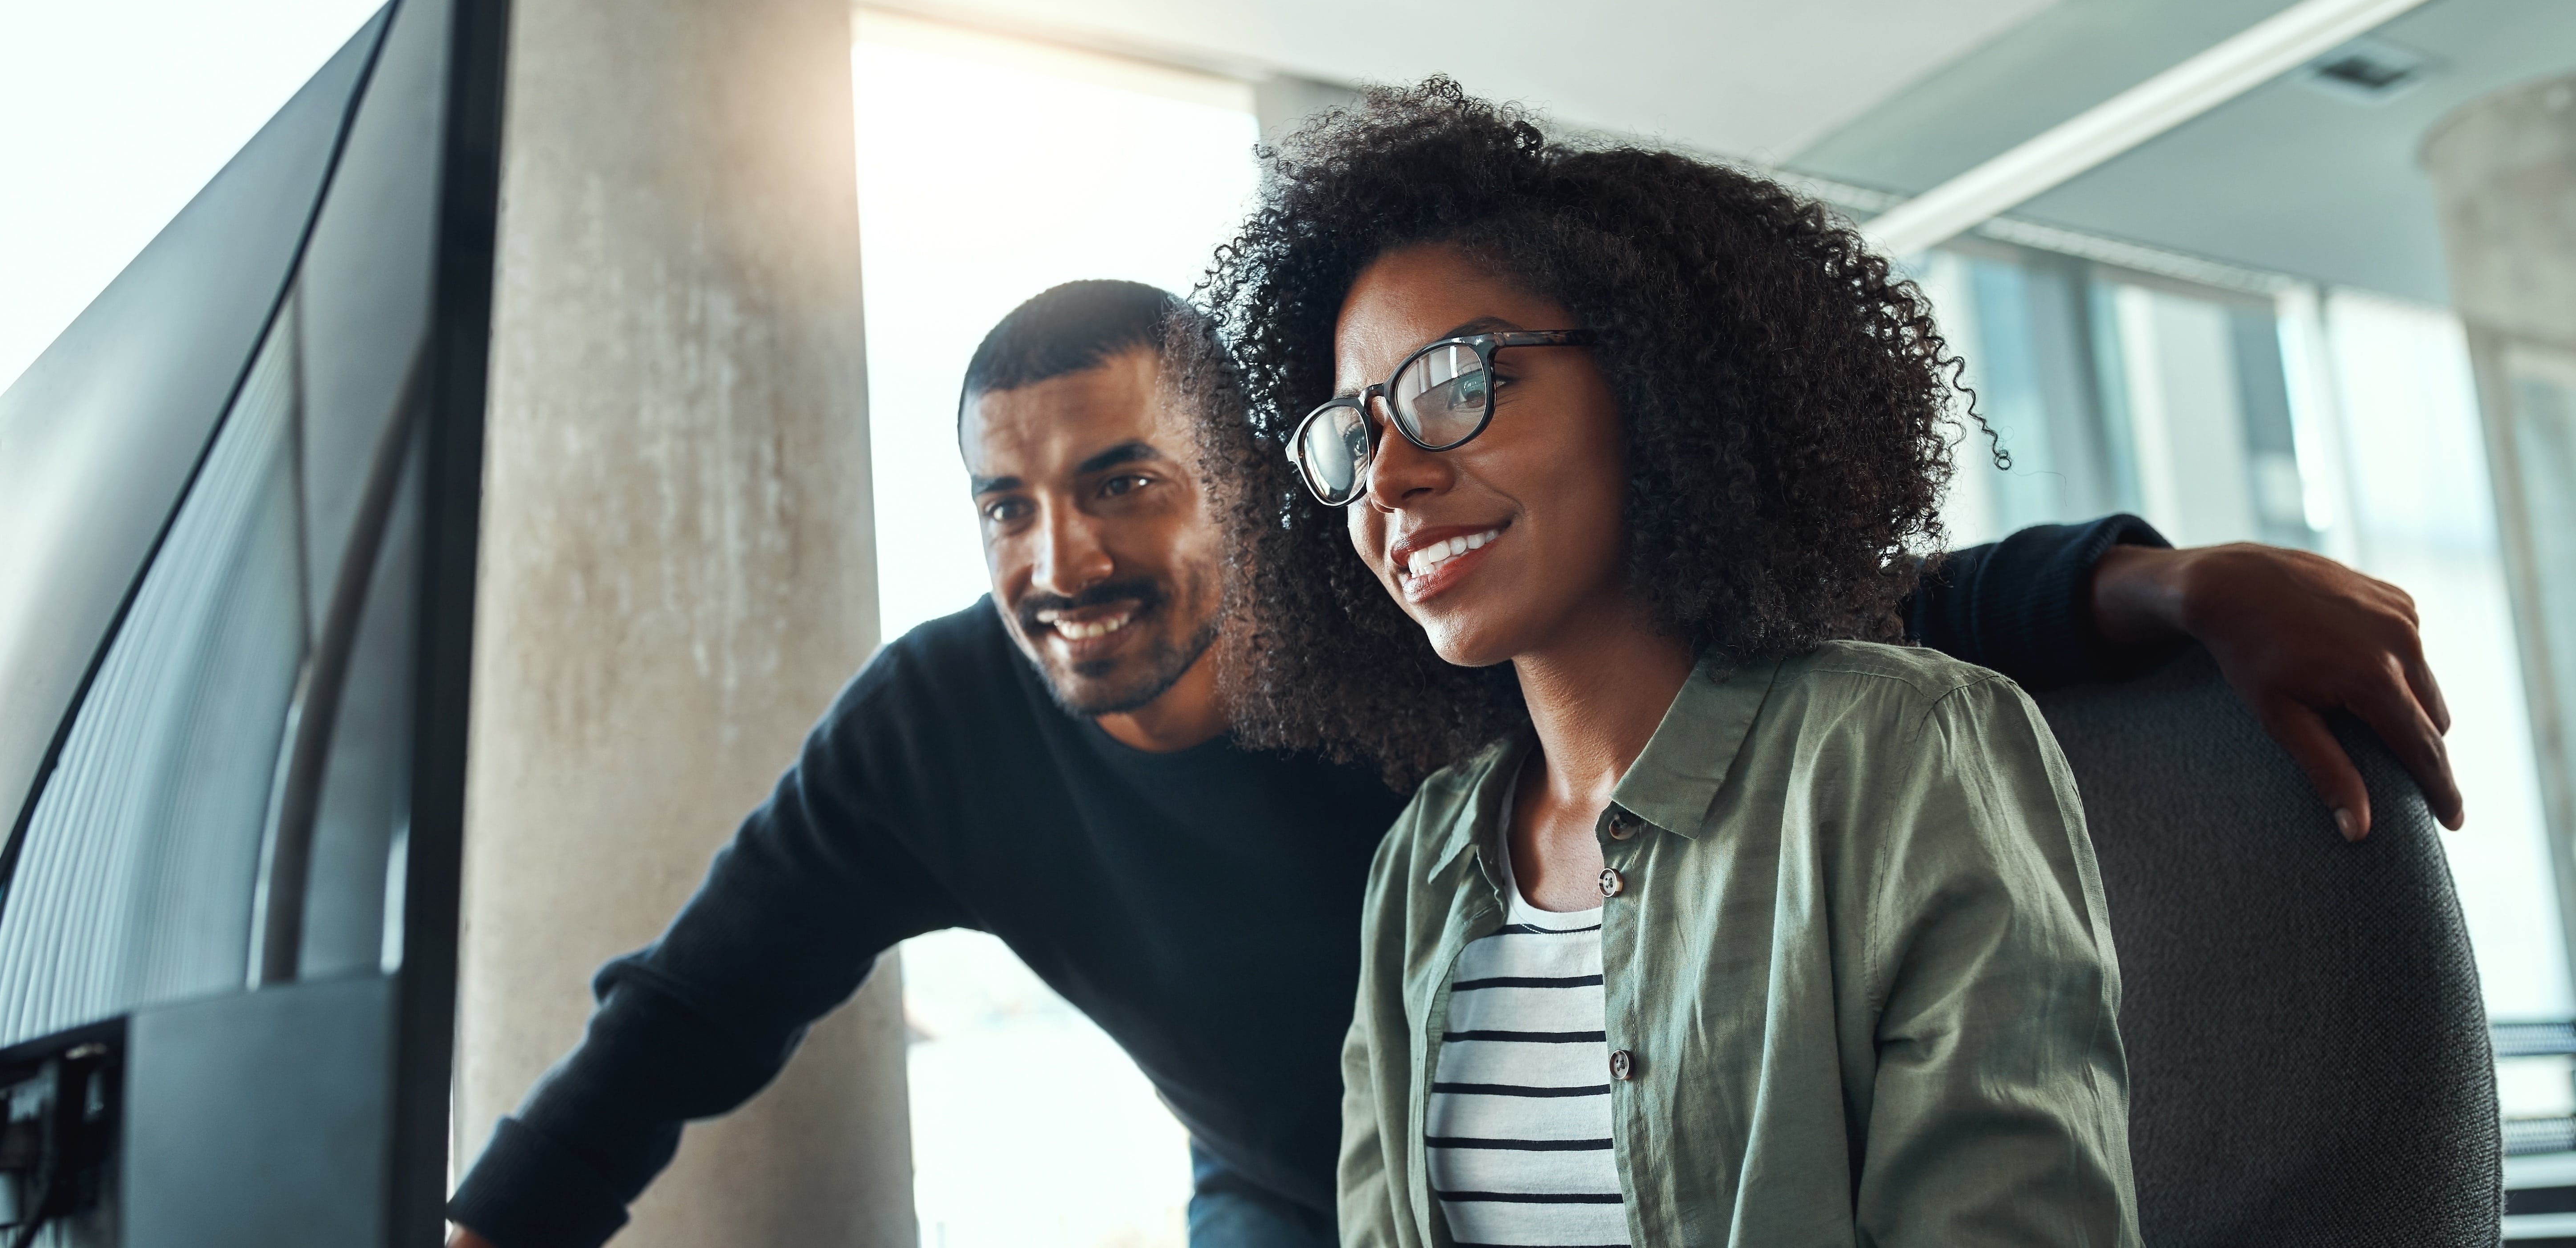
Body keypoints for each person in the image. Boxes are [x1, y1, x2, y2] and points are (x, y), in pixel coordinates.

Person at [445, 270, 2458, 1247]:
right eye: (1004, 507)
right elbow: (683, 1019)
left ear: (1246, 485)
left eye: (1127, 483)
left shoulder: (1423, 631)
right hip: (1297, 1198)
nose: (1061, 560)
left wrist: (2160, 588)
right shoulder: (934, 727)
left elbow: (1855, 612)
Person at [1180, 78, 2139, 1245]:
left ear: (1649, 379)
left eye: (1454, 386)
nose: (1387, 481)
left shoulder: (1899, 748)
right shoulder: (1421, 861)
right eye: (1354, 430)